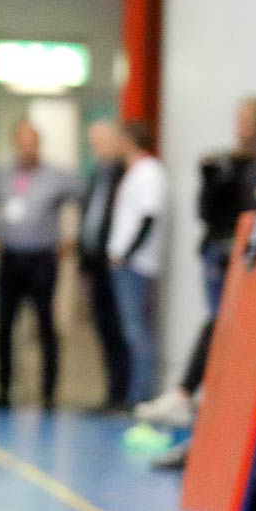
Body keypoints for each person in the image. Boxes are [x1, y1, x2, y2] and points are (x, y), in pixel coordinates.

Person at [134, 96, 256, 436]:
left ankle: (187, 395)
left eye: (246, 118)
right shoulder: (228, 162)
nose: (240, 125)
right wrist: (210, 179)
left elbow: (254, 208)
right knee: (220, 324)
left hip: (247, 257)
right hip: (223, 252)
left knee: (223, 324)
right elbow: (207, 213)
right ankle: (197, 406)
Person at [0, 120, 80, 410]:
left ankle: (49, 392)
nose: (27, 148)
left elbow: (85, 201)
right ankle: (3, 389)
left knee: (45, 325)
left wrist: (72, 239)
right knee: (4, 325)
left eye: (32, 142)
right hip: (11, 258)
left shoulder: (57, 177)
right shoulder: (1, 176)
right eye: (22, 142)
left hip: (42, 259)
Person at [108, 121, 168, 408]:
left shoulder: (149, 172)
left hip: (137, 265)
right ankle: (134, 391)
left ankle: (140, 394)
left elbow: (148, 217)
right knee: (130, 330)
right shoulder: (132, 172)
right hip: (126, 264)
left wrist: (127, 254)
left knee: (137, 331)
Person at [77, 120, 129, 412]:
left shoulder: (126, 175)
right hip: (95, 263)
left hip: (116, 263)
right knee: (104, 328)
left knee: (122, 328)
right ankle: (111, 392)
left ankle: (125, 394)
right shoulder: (96, 175)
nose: (96, 149)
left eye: (100, 142)